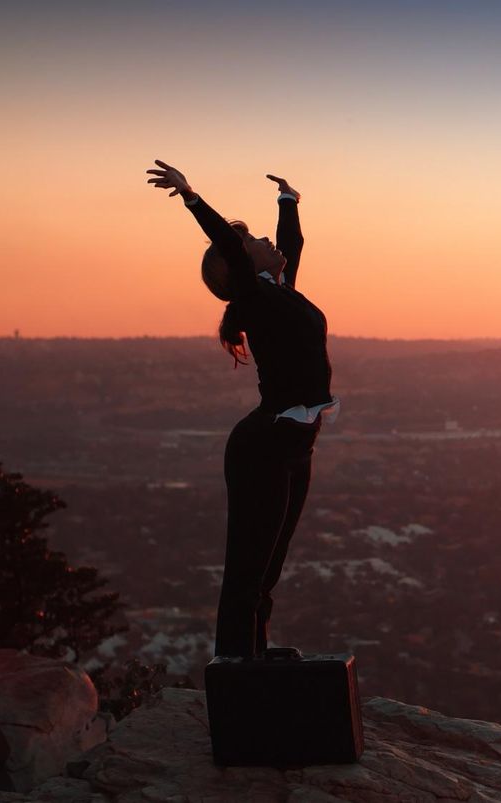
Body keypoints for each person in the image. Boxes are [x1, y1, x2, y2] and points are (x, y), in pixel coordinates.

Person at [146, 159, 339, 657]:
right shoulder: (257, 300)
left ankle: (255, 654)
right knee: (248, 566)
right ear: (244, 267)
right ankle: (236, 666)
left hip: (297, 444)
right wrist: (191, 196)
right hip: (264, 447)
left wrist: (288, 202)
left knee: (270, 565)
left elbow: (289, 247)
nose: (266, 244)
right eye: (255, 243)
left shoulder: (280, 292)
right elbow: (230, 246)